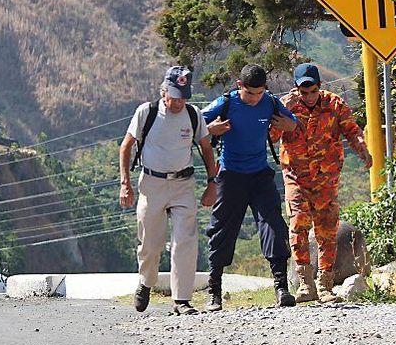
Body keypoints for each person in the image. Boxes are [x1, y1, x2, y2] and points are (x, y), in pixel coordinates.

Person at [200, 63, 300, 311]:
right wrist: (209, 130)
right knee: (222, 230)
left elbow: (293, 122)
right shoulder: (225, 103)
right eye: (249, 94)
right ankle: (214, 291)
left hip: (260, 174)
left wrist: (289, 125)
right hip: (231, 175)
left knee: (274, 226)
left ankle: (281, 288)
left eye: (259, 93)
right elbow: (194, 125)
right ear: (239, 86)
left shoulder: (271, 102)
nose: (255, 99)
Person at [270, 63, 372, 303]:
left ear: (320, 87)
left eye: (312, 91)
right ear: (296, 89)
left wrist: (363, 150)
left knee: (327, 230)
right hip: (296, 177)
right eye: (303, 92)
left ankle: (325, 285)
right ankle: (305, 284)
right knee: (298, 226)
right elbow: (271, 137)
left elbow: (351, 129)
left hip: (326, 179)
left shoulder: (334, 104)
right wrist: (283, 122)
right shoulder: (286, 106)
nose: (308, 97)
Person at [119, 66, 216, 315]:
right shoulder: (147, 112)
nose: (178, 102)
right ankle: (146, 282)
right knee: (151, 243)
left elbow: (206, 148)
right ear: (163, 91)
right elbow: (126, 147)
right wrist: (125, 184)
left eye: (183, 96)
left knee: (185, 239)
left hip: (183, 184)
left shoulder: (193, 115)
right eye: (174, 96)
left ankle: (181, 300)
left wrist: (212, 182)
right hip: (152, 185)